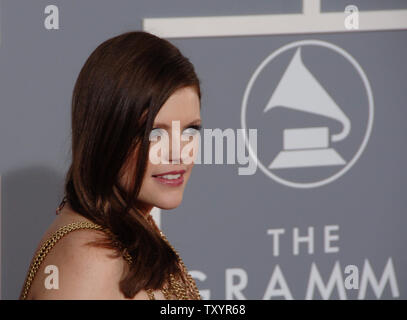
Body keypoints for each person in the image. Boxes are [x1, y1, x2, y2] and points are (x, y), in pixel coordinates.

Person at [19, 30, 202, 300]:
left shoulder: (132, 230)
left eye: (190, 131)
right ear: (106, 135)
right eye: (154, 133)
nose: (179, 153)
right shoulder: (92, 262)